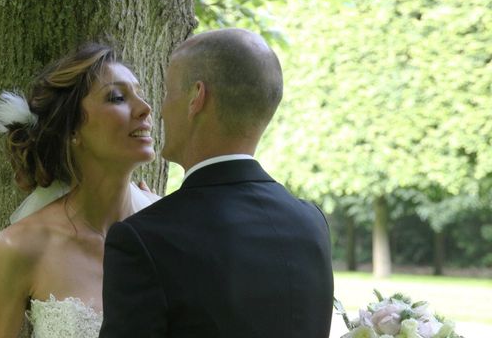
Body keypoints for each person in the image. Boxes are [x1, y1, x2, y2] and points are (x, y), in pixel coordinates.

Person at [100, 29, 334, 338]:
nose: (160, 109)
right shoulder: (311, 222)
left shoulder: (144, 239)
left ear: (197, 97)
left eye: (168, 92)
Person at [0, 43, 158, 338]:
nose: (145, 108)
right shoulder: (22, 247)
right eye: (117, 97)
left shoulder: (167, 228)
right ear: (73, 129)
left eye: (140, 94)